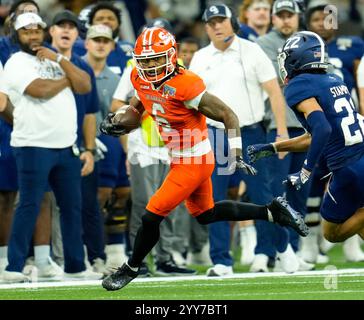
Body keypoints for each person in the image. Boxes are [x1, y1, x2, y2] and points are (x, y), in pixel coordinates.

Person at [99, 26, 308, 291]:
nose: (150, 66)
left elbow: (228, 114)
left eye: (156, 59)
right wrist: (124, 117)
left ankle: (130, 268)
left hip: (194, 160)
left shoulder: (186, 84)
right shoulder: (140, 77)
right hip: (179, 155)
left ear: (171, 56)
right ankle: (272, 212)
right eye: (146, 60)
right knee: (206, 213)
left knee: (152, 215)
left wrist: (235, 151)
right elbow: (140, 102)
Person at [189, 3, 288, 277]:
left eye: (222, 20)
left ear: (233, 21)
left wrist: (281, 132)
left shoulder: (252, 50)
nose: (217, 26)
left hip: (251, 132)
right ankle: (221, 260)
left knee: (262, 194)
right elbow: (192, 103)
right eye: (212, 23)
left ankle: (264, 254)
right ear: (206, 28)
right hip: (215, 134)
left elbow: (274, 92)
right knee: (214, 198)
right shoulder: (199, 57)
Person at [248, 31, 364, 247]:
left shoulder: (298, 85)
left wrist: (305, 171)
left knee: (332, 232)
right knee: (357, 218)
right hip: (358, 160)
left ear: (298, 57)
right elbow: (316, 135)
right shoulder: (333, 79)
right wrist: (273, 147)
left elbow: (322, 129)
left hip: (348, 170)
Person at [0, 12, 91, 282]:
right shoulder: (16, 61)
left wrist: (61, 60)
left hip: (65, 144)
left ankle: (76, 267)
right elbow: (39, 90)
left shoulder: (54, 57)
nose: (33, 35)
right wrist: (68, 78)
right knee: (28, 204)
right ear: (17, 35)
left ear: (44, 32)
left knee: (72, 206)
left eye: (37, 30)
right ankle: (13, 267)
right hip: (33, 144)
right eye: (26, 31)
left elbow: (85, 85)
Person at [254, 0, 314, 273]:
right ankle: (273, 251)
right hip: (278, 126)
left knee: (299, 192)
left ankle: (293, 250)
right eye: (281, 15)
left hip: (308, 128)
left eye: (291, 15)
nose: (286, 20)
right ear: (274, 18)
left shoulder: (310, 39)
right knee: (276, 194)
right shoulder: (264, 43)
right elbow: (280, 76)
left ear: (298, 17)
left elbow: (321, 74)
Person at [305, 1, 364, 262]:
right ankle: (309, 245)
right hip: (322, 131)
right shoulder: (306, 51)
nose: (323, 23)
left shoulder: (352, 47)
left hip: (346, 132)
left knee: (346, 188)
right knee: (315, 187)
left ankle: (351, 246)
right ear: (309, 24)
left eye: (328, 18)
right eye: (317, 19)